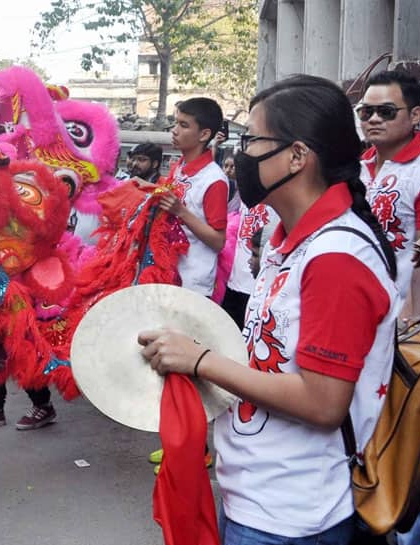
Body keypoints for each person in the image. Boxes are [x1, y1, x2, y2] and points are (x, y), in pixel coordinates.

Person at [139, 75, 400, 545]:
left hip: (293, 515)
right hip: (262, 496)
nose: (243, 156)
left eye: (253, 141)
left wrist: (200, 360)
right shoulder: (291, 242)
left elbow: (323, 403)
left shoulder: (336, 257)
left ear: (298, 156)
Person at [358, 70, 420, 319]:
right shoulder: (355, 169)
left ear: (415, 115)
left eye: (386, 112)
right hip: (352, 309)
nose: (374, 119)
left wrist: (414, 323)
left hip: (399, 321)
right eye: (367, 112)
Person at [160, 98, 229, 297]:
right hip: (168, 276)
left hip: (192, 286)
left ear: (204, 134)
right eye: (175, 123)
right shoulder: (178, 167)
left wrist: (180, 211)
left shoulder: (214, 180)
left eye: (184, 125)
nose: (174, 130)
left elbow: (218, 241)